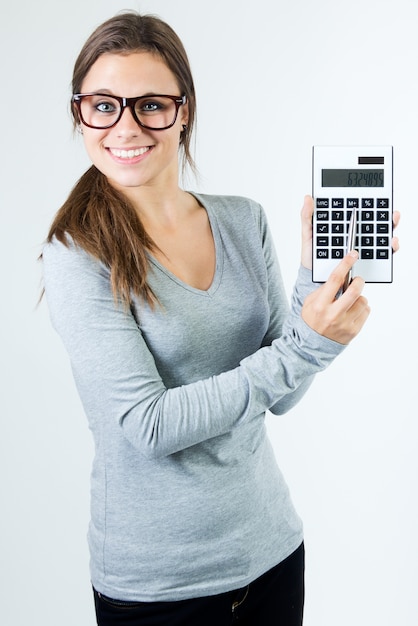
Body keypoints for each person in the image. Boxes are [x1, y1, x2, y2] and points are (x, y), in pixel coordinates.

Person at [40, 11, 399, 626]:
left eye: (150, 104)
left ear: (184, 110)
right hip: (160, 586)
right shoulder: (77, 255)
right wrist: (309, 345)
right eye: (103, 105)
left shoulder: (243, 220)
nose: (125, 126)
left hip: (272, 552)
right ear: (80, 113)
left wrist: (317, 286)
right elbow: (147, 425)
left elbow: (279, 393)